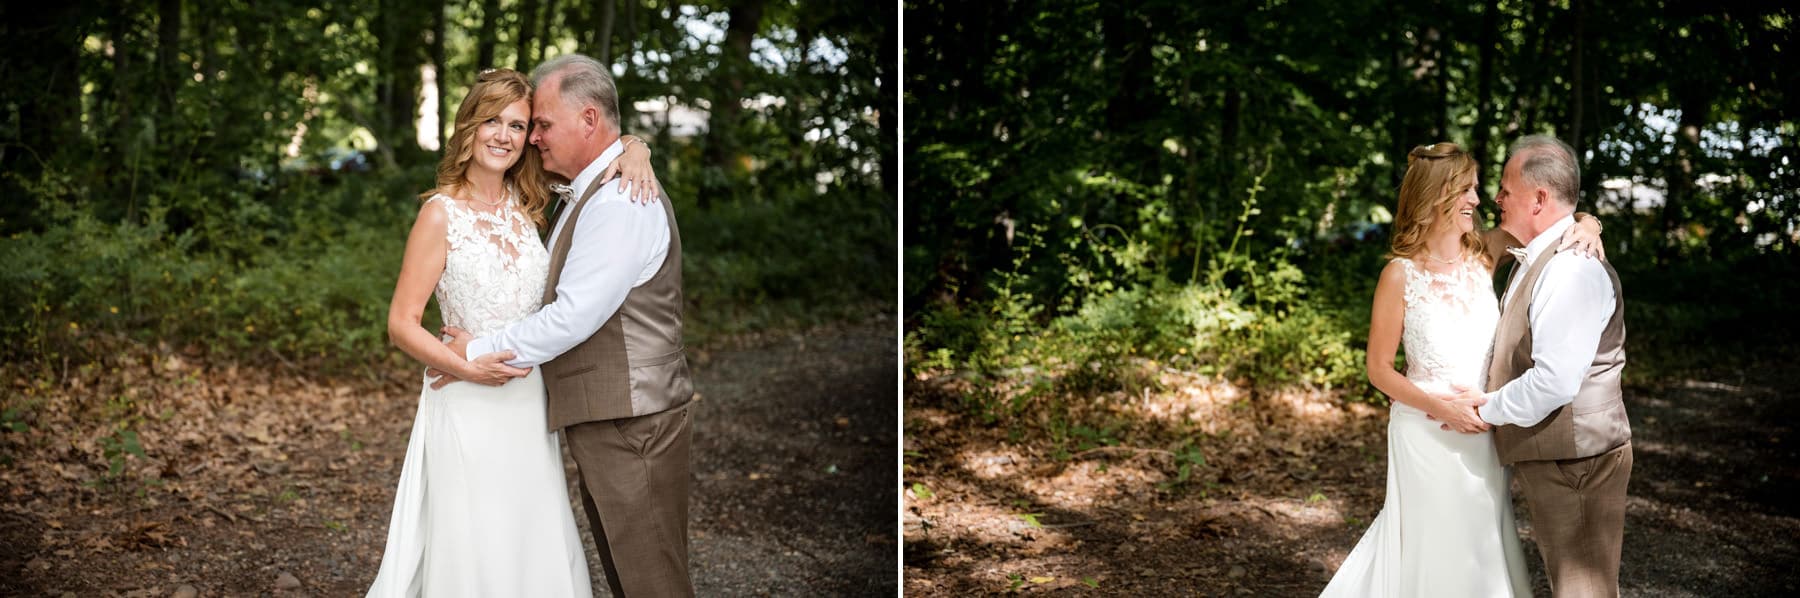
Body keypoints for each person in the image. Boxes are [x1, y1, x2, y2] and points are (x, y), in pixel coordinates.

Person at [365, 68, 659, 597]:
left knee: (529, 530)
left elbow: (599, 148)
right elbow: (401, 323)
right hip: (465, 396)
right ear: (469, 128)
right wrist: (466, 365)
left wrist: (637, 147)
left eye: (519, 126)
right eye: (492, 121)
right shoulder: (440, 214)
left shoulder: (531, 206)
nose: (504, 135)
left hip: (528, 402)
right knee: (473, 535)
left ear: (530, 138)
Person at [436, 53, 698, 598]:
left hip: (632, 421)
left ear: (588, 122)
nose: (531, 138)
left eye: (541, 124)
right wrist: (634, 145)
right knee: (630, 570)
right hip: (604, 418)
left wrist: (476, 349)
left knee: (652, 579)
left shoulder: (622, 200)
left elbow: (573, 315)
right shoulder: (580, 191)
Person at [1321, 141, 1604, 597]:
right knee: (1434, 546)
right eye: (1466, 189)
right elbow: (1378, 369)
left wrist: (1592, 223)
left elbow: (1553, 220)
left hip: (1482, 430)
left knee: (1479, 542)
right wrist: (1440, 407)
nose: (1478, 199)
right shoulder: (1399, 274)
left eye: (1476, 188)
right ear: (1435, 196)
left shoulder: (1486, 253)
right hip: (1425, 431)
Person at [1438, 134, 1633, 598]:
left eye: (1504, 188)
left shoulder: (1571, 267)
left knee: (1583, 589)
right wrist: (1589, 219)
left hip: (1576, 457)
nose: (1493, 198)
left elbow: (1554, 381)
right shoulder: (1521, 249)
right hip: (1548, 452)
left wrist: (1483, 410)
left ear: (1539, 198)